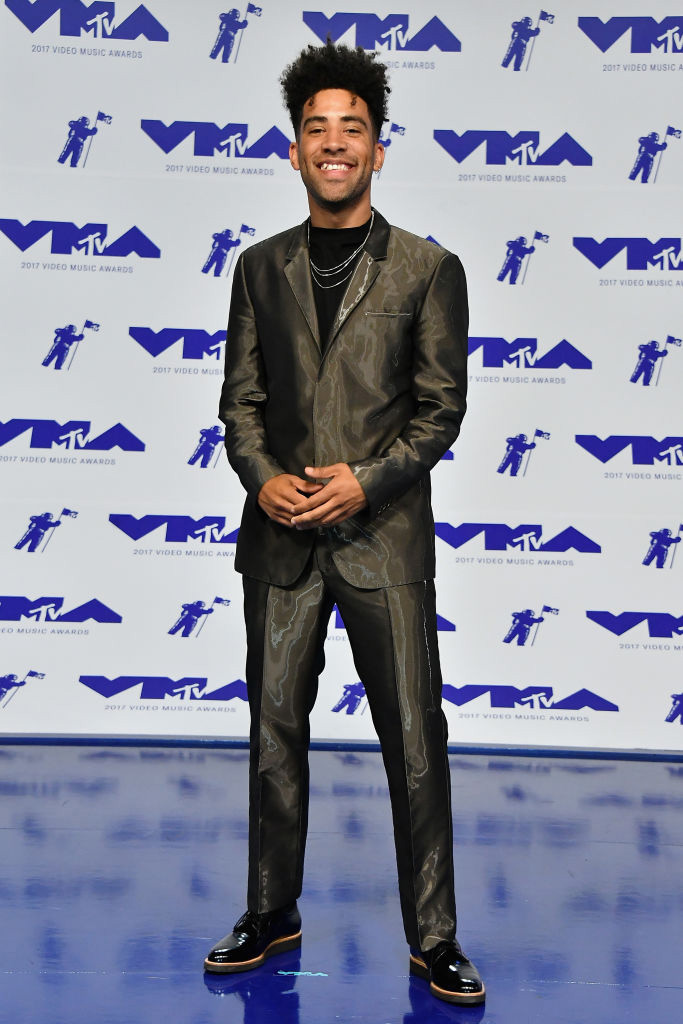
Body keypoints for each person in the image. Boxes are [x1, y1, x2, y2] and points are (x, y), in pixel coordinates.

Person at [205, 42, 484, 1007]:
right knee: (273, 733)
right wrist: (264, 482)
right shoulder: (257, 268)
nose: (333, 144)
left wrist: (363, 484)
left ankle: (434, 937)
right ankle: (270, 910)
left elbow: (438, 411)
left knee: (414, 739)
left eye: (351, 130)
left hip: (383, 542)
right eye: (316, 130)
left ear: (377, 150)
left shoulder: (428, 269)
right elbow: (240, 404)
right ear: (294, 151)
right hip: (280, 543)